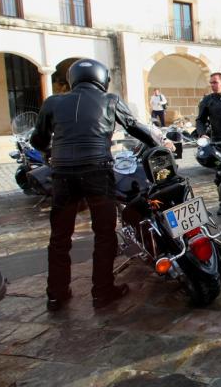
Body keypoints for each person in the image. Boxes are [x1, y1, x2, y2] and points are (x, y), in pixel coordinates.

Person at [30, 58, 163, 311]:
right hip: (97, 172)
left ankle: (56, 294)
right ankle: (102, 291)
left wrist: (51, 151)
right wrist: (158, 146)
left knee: (59, 237)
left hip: (63, 175)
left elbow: (38, 140)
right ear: (102, 78)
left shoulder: (52, 102)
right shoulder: (110, 100)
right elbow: (135, 127)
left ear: (73, 79)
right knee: (104, 234)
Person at [195, 72, 221, 214]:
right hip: (218, 143)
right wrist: (203, 134)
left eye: (215, 82)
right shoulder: (207, 100)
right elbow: (200, 120)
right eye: (211, 83)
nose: (212, 85)